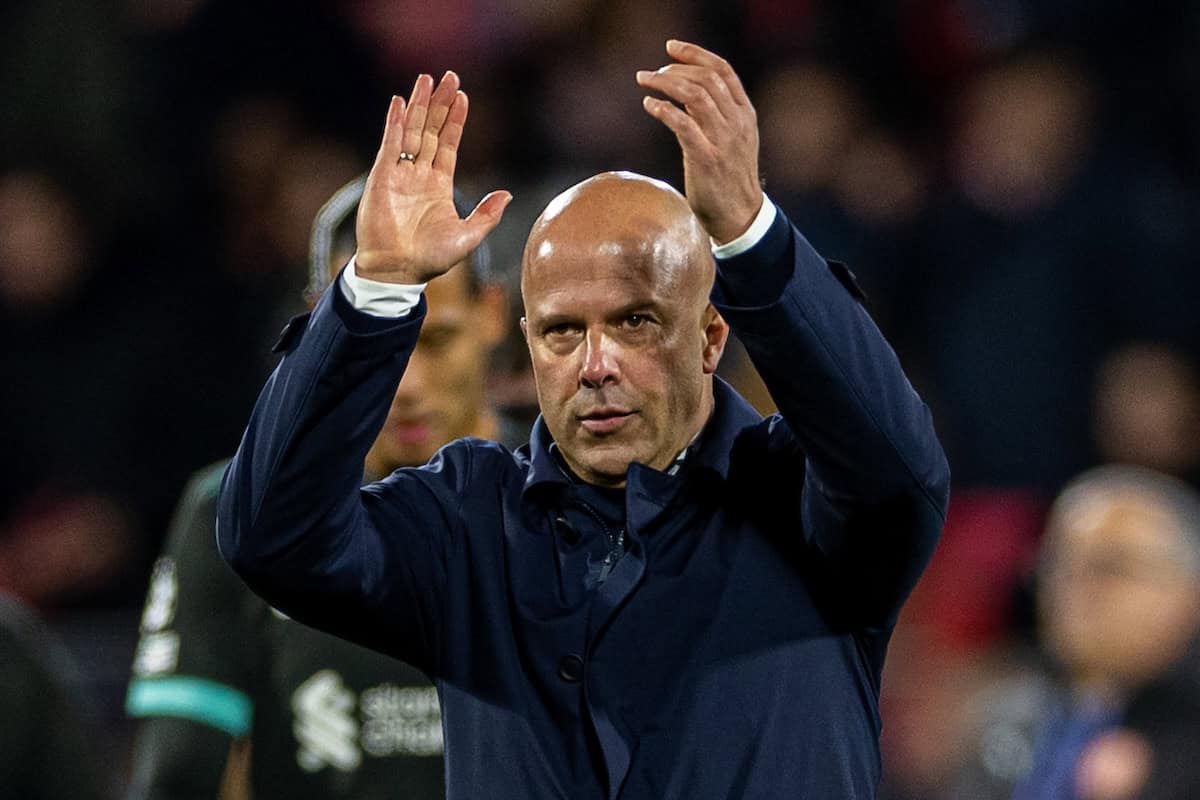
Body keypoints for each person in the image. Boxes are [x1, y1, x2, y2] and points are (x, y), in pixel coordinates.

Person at [218, 40, 949, 798]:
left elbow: (900, 473)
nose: (595, 364)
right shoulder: (469, 519)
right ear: (528, 343)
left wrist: (752, 239)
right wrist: (374, 291)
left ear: (709, 338)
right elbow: (273, 538)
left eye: (636, 322)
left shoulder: (802, 500)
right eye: (564, 330)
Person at [124, 176, 510, 799]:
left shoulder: (561, 496)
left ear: (493, 314)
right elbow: (177, 775)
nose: (406, 384)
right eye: (386, 343)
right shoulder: (230, 516)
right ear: (319, 317)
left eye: (435, 340)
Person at [946, 466, 1200, 800]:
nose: (1074, 587)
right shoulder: (1006, 717)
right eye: (1058, 563)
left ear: (1187, 595)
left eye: (1110, 566)